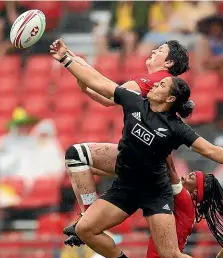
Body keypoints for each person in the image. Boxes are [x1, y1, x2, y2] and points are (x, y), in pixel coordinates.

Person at [50, 39, 223, 258]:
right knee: (85, 229)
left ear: (170, 98)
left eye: (162, 85)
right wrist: (67, 59)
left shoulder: (176, 128)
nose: (154, 85)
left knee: (171, 254)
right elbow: (100, 82)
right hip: (126, 186)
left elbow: (209, 148)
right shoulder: (134, 102)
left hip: (155, 192)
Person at [57, 39, 189, 221]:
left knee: (76, 155)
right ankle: (88, 218)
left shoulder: (154, 80)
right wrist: (85, 83)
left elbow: (106, 88)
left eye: (159, 50)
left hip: (144, 163)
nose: (153, 51)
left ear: (169, 63)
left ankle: (88, 216)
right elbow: (109, 98)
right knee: (80, 164)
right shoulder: (159, 84)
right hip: (151, 163)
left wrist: (67, 59)